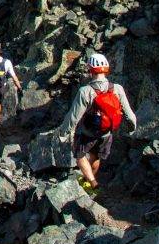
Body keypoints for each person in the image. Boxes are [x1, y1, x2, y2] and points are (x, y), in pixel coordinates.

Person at [56, 53, 137, 194]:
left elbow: (74, 117)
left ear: (90, 69)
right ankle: (88, 186)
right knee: (95, 156)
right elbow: (129, 115)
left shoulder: (85, 91)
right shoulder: (117, 89)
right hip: (107, 133)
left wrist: (64, 133)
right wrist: (132, 128)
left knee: (79, 155)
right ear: (106, 69)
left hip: (88, 132)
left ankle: (93, 184)